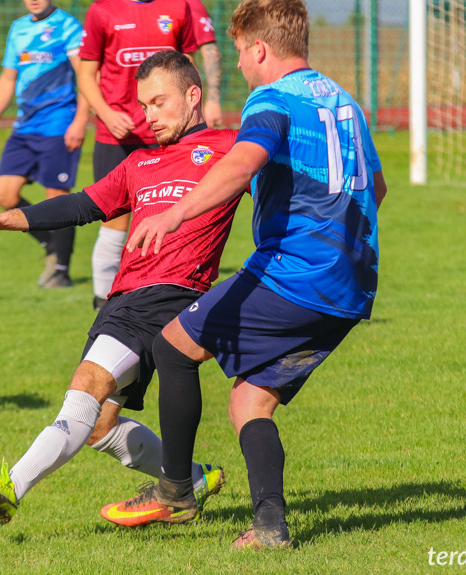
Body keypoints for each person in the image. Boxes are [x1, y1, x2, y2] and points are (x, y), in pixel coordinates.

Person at [101, 0, 388, 549]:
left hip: (296, 273)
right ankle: (269, 527)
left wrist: (174, 211)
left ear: (259, 48)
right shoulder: (345, 103)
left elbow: (241, 163)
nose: (236, 66)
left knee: (173, 346)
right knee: (249, 401)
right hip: (353, 284)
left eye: (238, 52)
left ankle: (174, 492)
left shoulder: (271, 98)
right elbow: (375, 191)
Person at [0, 51, 244, 525]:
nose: (148, 117)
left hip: (170, 296)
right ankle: (191, 478)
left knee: (86, 386)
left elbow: (281, 185)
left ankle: (12, 486)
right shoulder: (140, 163)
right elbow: (83, 205)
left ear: (194, 96)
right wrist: (4, 219)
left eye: (158, 102)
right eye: (143, 105)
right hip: (123, 300)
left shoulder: (229, 148)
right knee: (101, 426)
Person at [77, 0, 199, 310]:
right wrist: (106, 113)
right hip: (117, 136)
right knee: (114, 221)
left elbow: (188, 68)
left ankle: (165, 296)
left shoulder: (177, 7)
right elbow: (86, 74)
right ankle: (103, 302)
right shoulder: (102, 10)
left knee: (173, 217)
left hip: (167, 136)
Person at [0, 0, 89, 288]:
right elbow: (7, 78)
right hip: (24, 127)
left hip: (59, 124)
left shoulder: (69, 26)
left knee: (57, 199)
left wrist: (80, 120)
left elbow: (86, 76)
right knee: (4, 194)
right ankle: (53, 245)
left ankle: (60, 270)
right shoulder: (19, 28)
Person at [187, 0, 224, 129]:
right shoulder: (121, 6)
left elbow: (210, 51)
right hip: (129, 110)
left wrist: (213, 100)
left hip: (180, 104)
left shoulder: (189, 4)